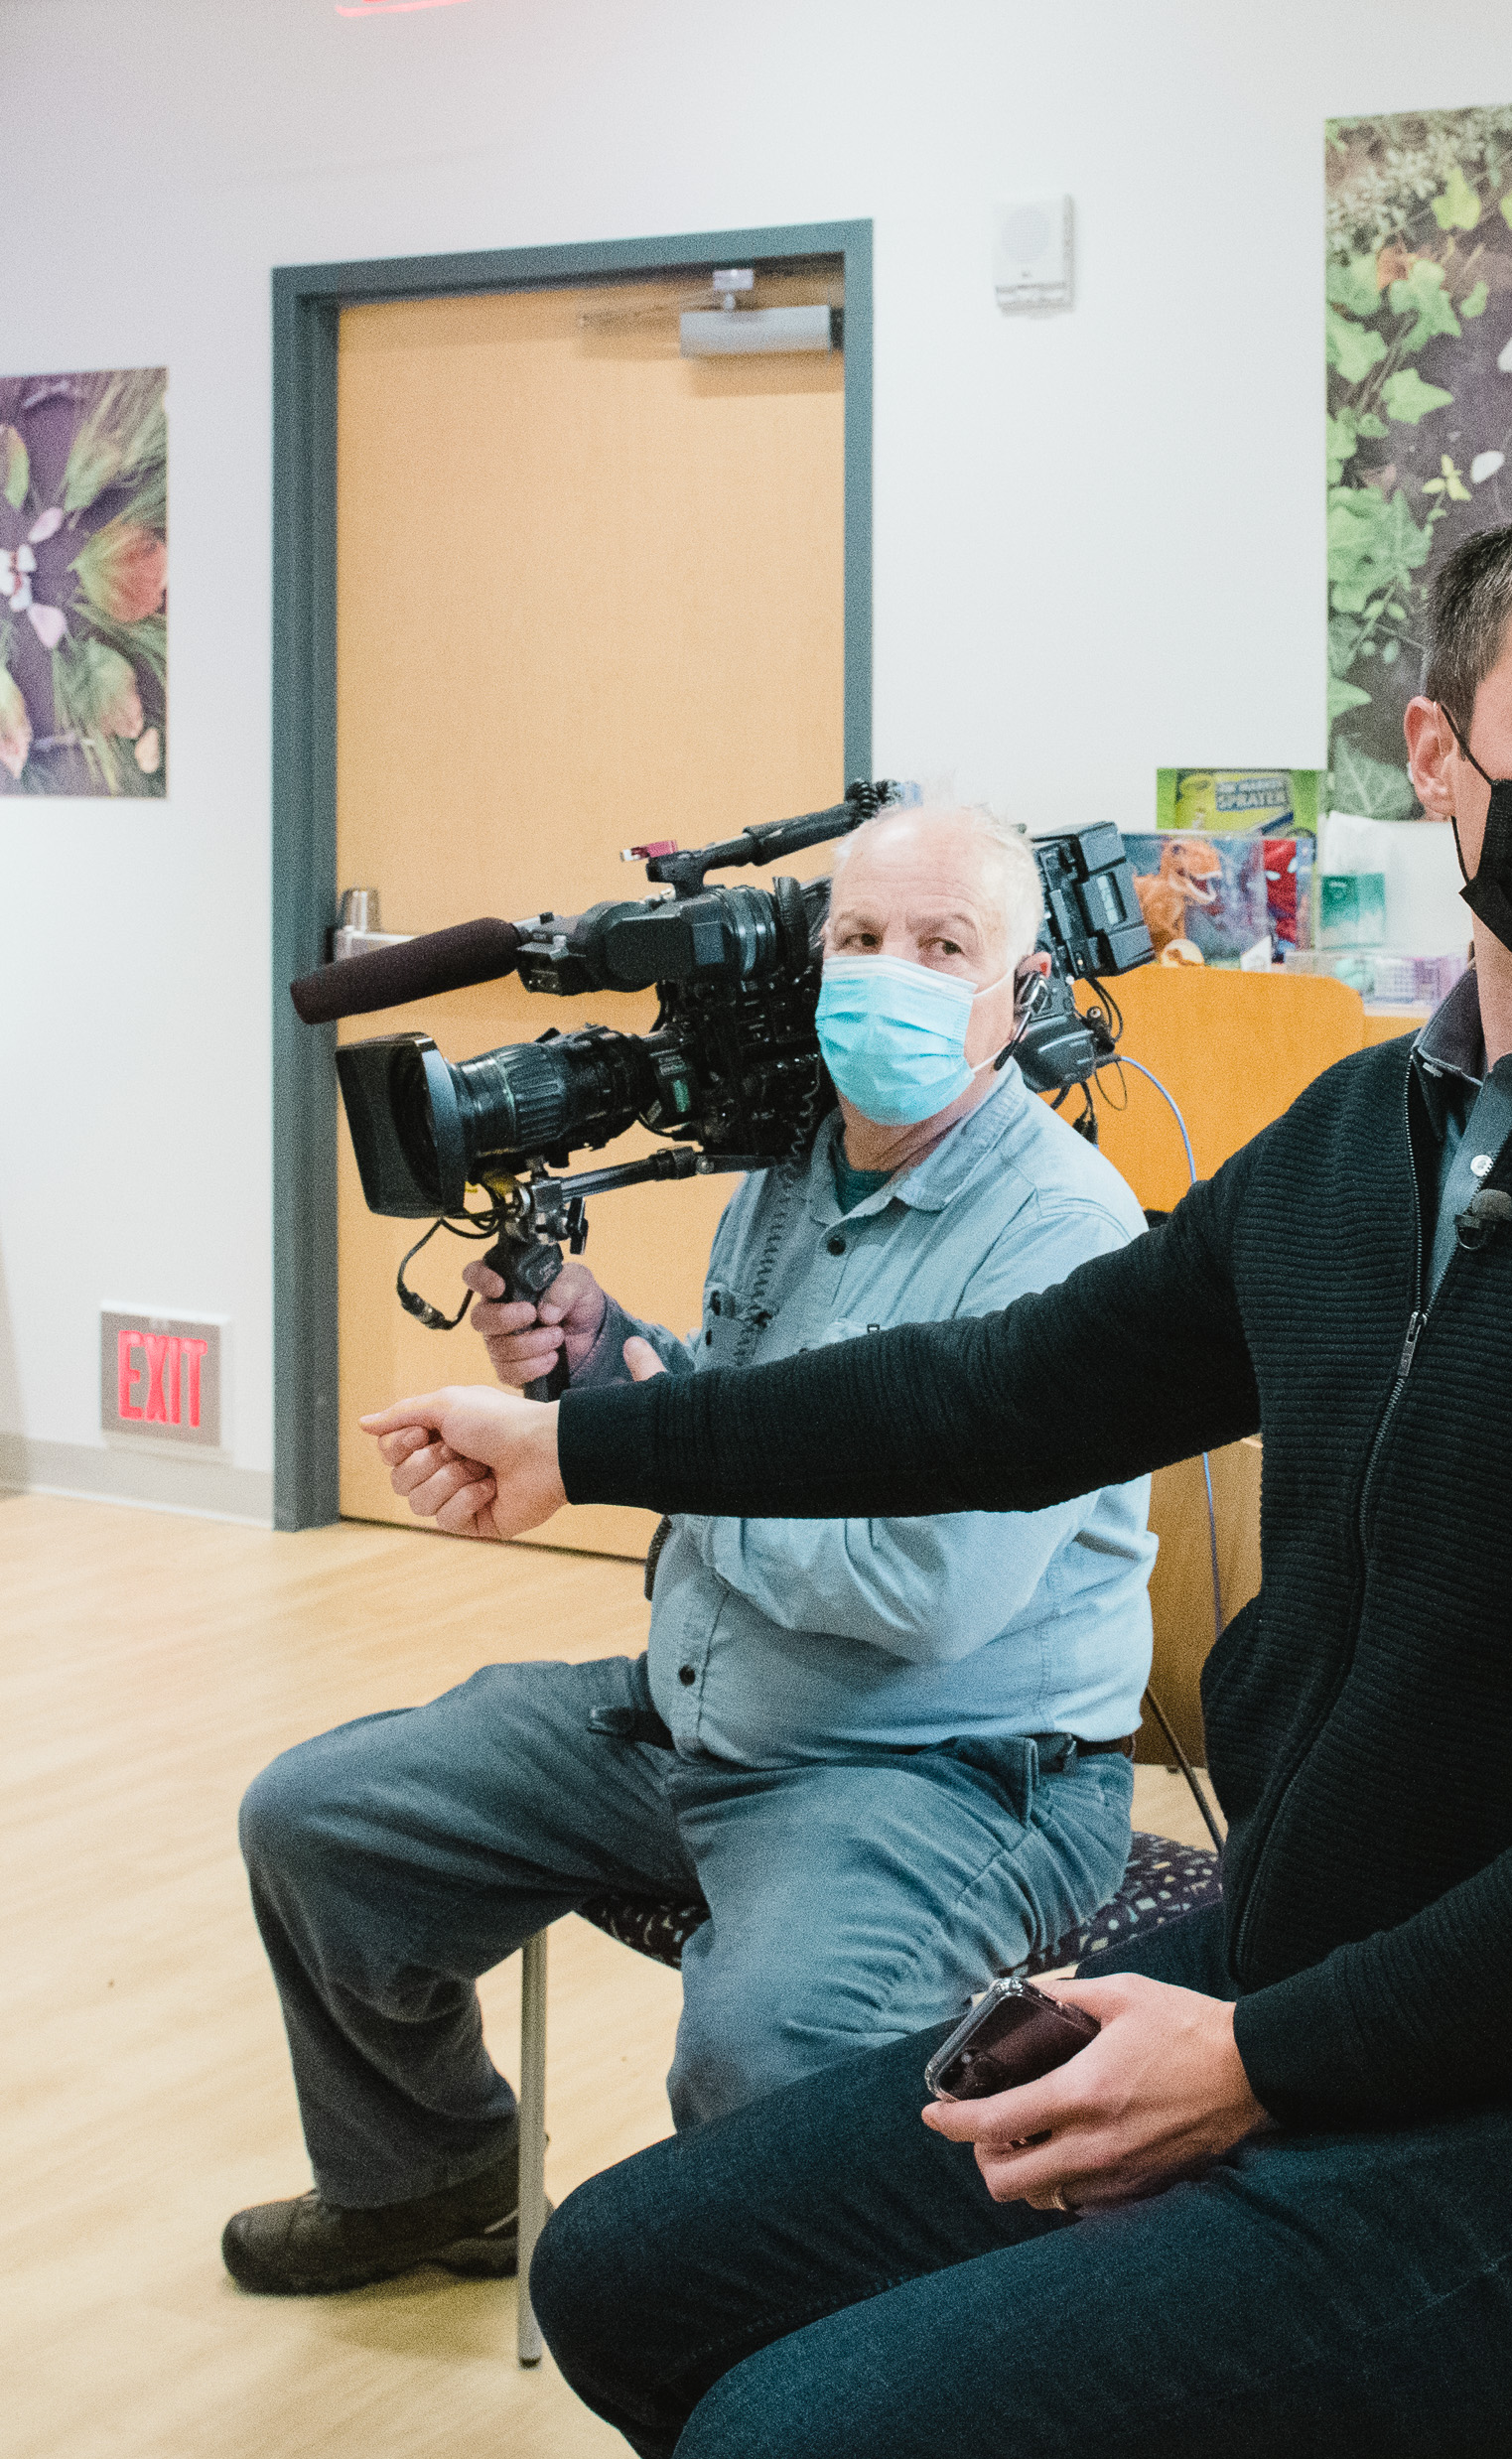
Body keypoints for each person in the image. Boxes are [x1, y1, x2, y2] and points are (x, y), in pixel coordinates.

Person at [360, 478, 1512, 2459]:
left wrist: (1263, 2059)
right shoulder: (1364, 1138)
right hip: (1325, 1977)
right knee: (627, 2274)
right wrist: (583, 1433)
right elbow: (996, 1395)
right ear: (1440, 756)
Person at [225, 802, 1159, 2298]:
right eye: (860, 938)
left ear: (1025, 988)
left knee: (766, 2043)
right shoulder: (797, 1170)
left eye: (942, 947)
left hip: (943, 1768)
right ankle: (432, 2181)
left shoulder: (1060, 1229)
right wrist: (602, 1359)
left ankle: (806, 2373)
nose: (890, 973)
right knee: (322, 1821)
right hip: (697, 1717)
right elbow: (731, 1410)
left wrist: (617, 1453)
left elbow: (925, 1588)